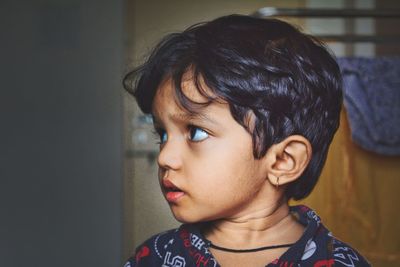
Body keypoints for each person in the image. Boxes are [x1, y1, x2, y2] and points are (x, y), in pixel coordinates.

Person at [123, 14, 371, 267]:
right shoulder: (154, 257)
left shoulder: (340, 263)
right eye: (162, 134)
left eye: (196, 132)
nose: (164, 157)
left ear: (283, 161)